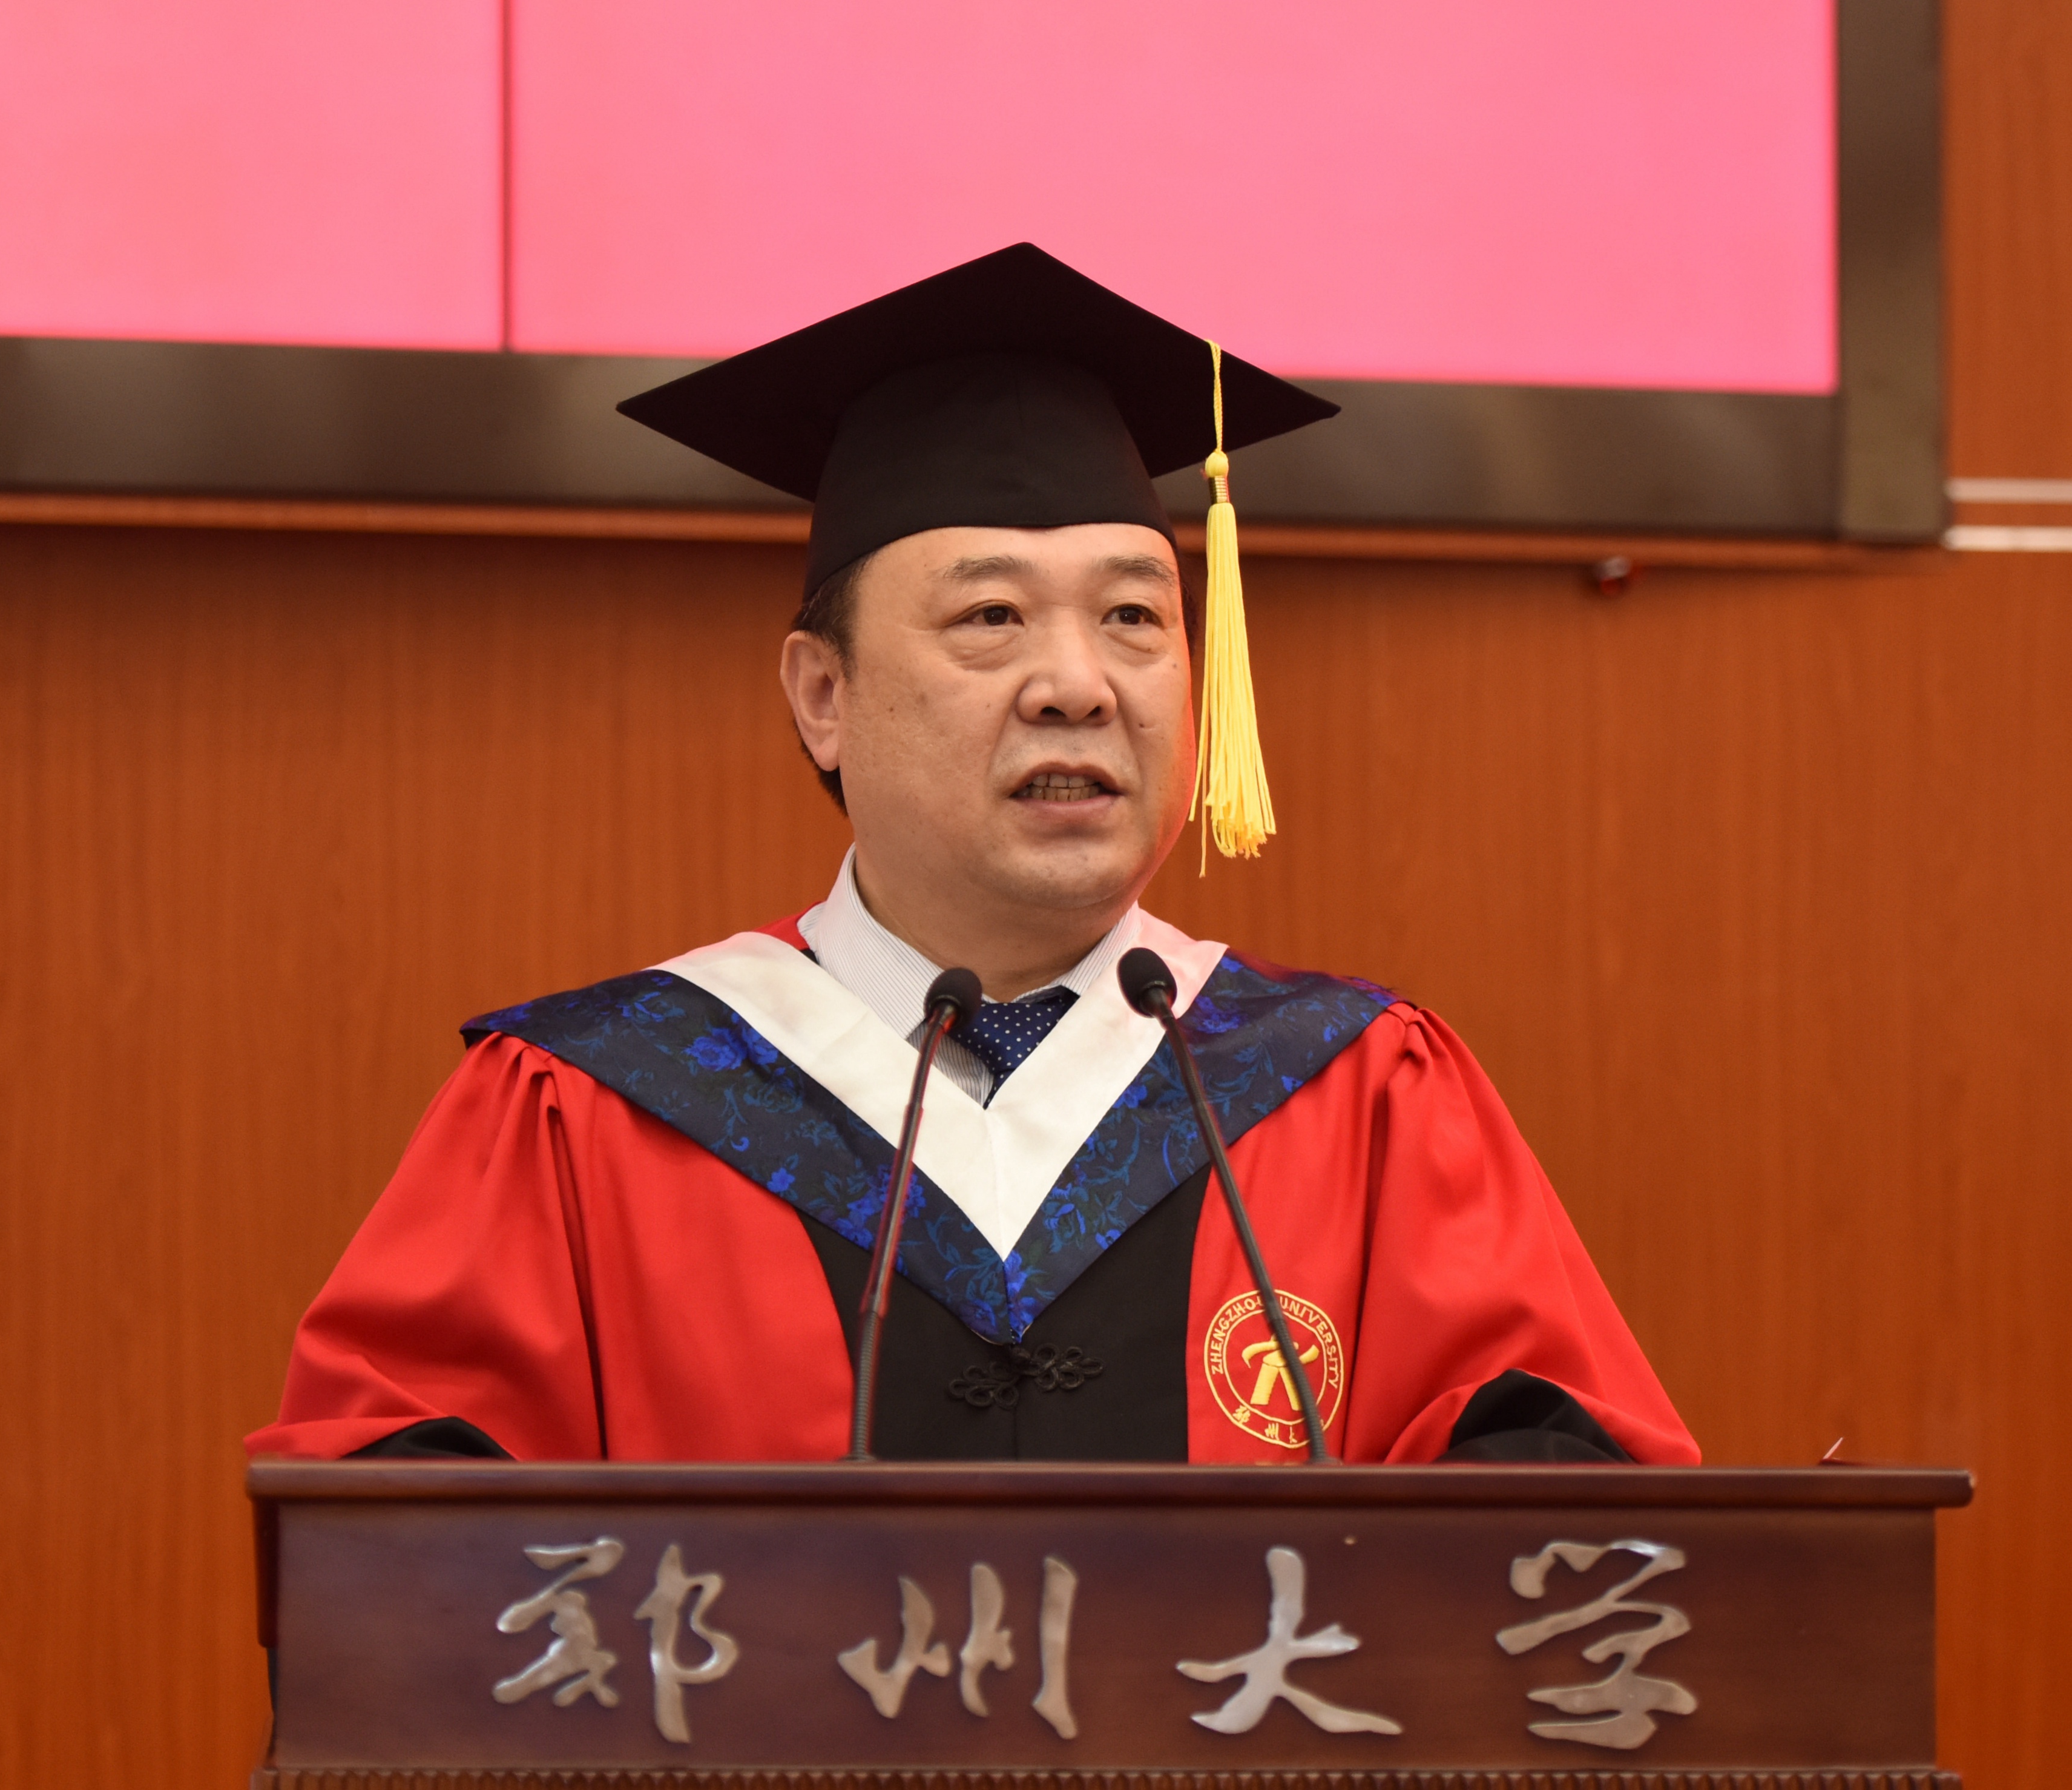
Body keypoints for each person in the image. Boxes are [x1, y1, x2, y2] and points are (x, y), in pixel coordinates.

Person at [246, 245, 1697, 1467]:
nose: (1079, 684)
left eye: (1134, 618)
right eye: (991, 618)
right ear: (824, 695)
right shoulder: (589, 1110)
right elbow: (401, 1575)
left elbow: (1579, 1552)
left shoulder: (1360, 1095)